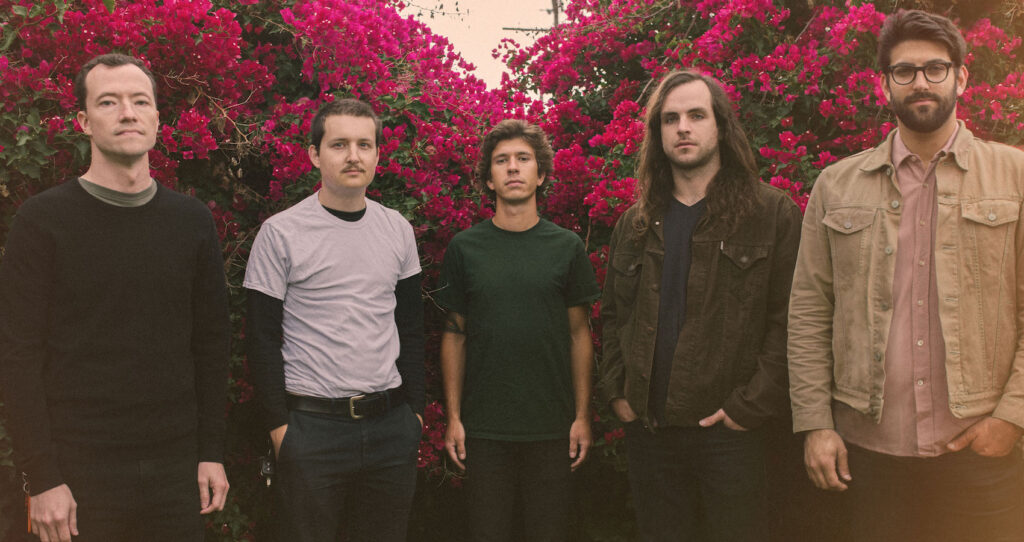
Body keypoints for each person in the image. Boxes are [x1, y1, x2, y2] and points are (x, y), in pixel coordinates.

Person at [788, 9, 1024, 542]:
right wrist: (816, 423)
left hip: (980, 448)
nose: (921, 82)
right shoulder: (836, 186)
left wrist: (1012, 416)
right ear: (884, 85)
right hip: (869, 454)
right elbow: (809, 311)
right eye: (904, 71)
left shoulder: (1014, 176)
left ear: (961, 77)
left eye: (935, 68)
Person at [0, 53, 231, 542]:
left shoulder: (191, 221)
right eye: (108, 102)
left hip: (175, 472)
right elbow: (17, 355)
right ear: (83, 121)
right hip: (78, 476)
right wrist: (42, 477)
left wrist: (211, 451)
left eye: (140, 101)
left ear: (157, 119)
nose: (128, 113)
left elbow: (212, 344)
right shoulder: (42, 222)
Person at [597, 70, 802, 541]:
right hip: (651, 433)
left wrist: (748, 408)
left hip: (733, 436)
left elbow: (789, 322)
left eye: (696, 115)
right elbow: (614, 316)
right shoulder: (635, 223)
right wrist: (619, 394)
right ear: (658, 134)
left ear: (721, 126)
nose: (683, 128)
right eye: (670, 119)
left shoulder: (771, 213)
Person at [244, 98, 425, 542]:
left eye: (365, 145)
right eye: (339, 144)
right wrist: (281, 430)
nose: (353, 156)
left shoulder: (397, 229)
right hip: (313, 431)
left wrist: (415, 416)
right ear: (314, 154)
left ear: (378, 154)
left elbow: (411, 328)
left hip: (390, 428)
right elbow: (261, 337)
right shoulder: (281, 233)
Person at [437, 119, 600, 542]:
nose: (512, 167)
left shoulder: (567, 247)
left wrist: (582, 417)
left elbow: (579, 335)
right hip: (483, 431)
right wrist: (453, 418)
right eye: (502, 160)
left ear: (540, 174)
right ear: (489, 179)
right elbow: (455, 334)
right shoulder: (464, 248)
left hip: (552, 429)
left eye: (523, 159)